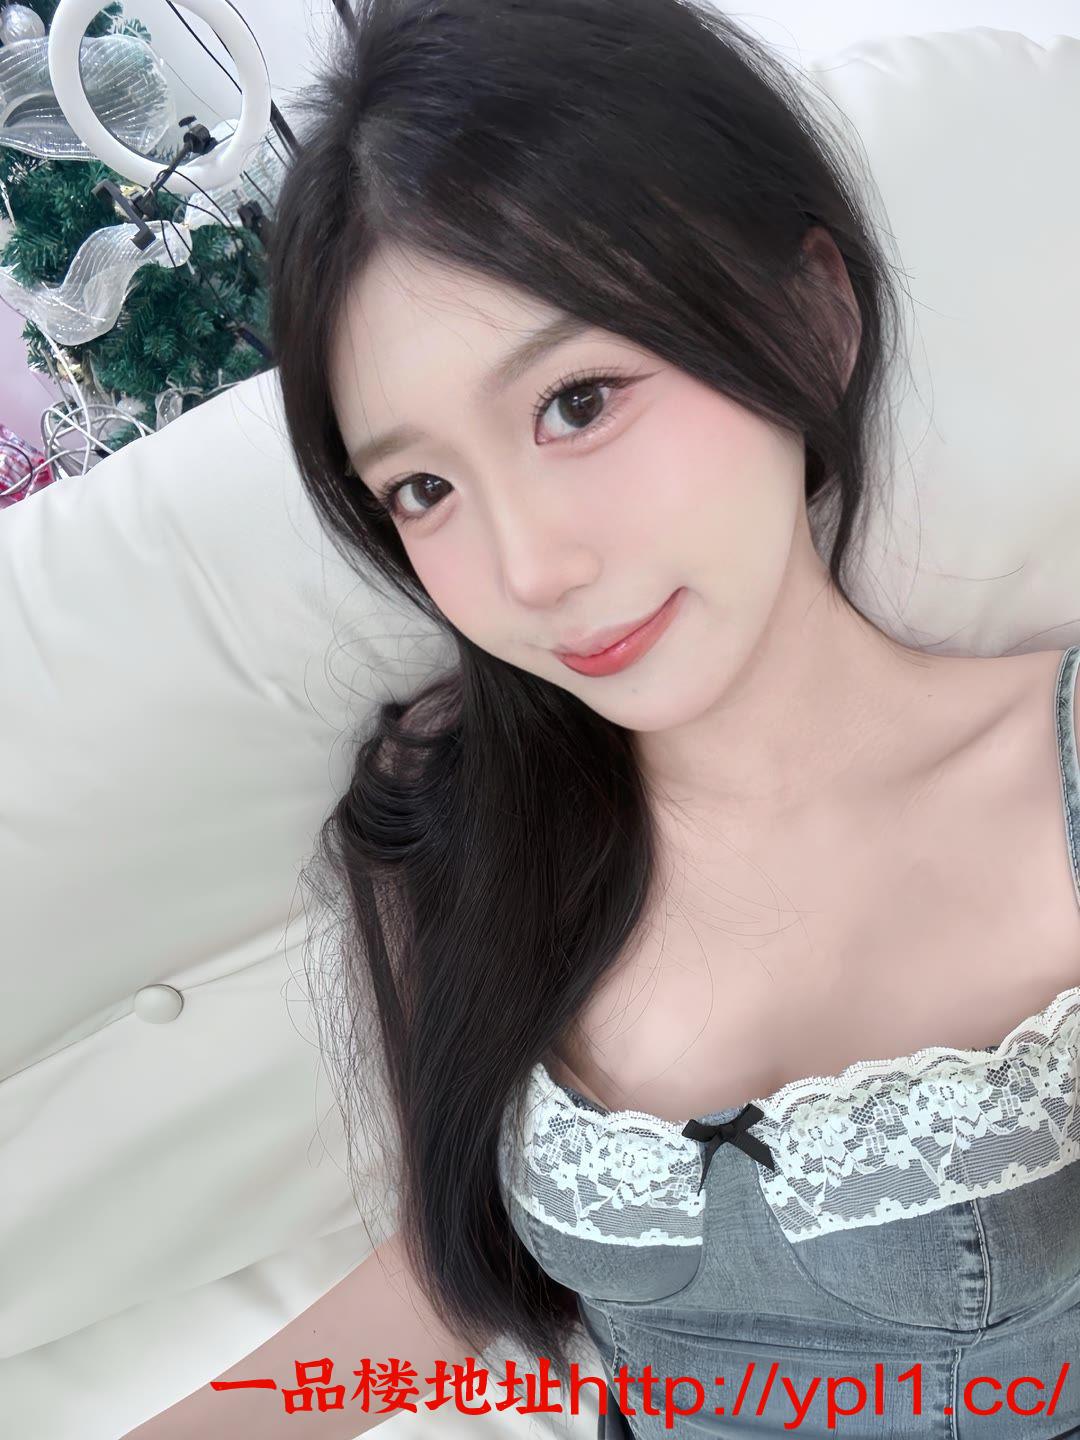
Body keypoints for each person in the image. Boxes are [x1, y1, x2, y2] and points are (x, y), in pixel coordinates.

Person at [124, 0, 1080, 1436]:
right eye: (424, 490)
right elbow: (451, 1284)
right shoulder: (458, 825)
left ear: (809, 316)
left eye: (578, 403)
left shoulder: (1053, 774)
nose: (530, 572)